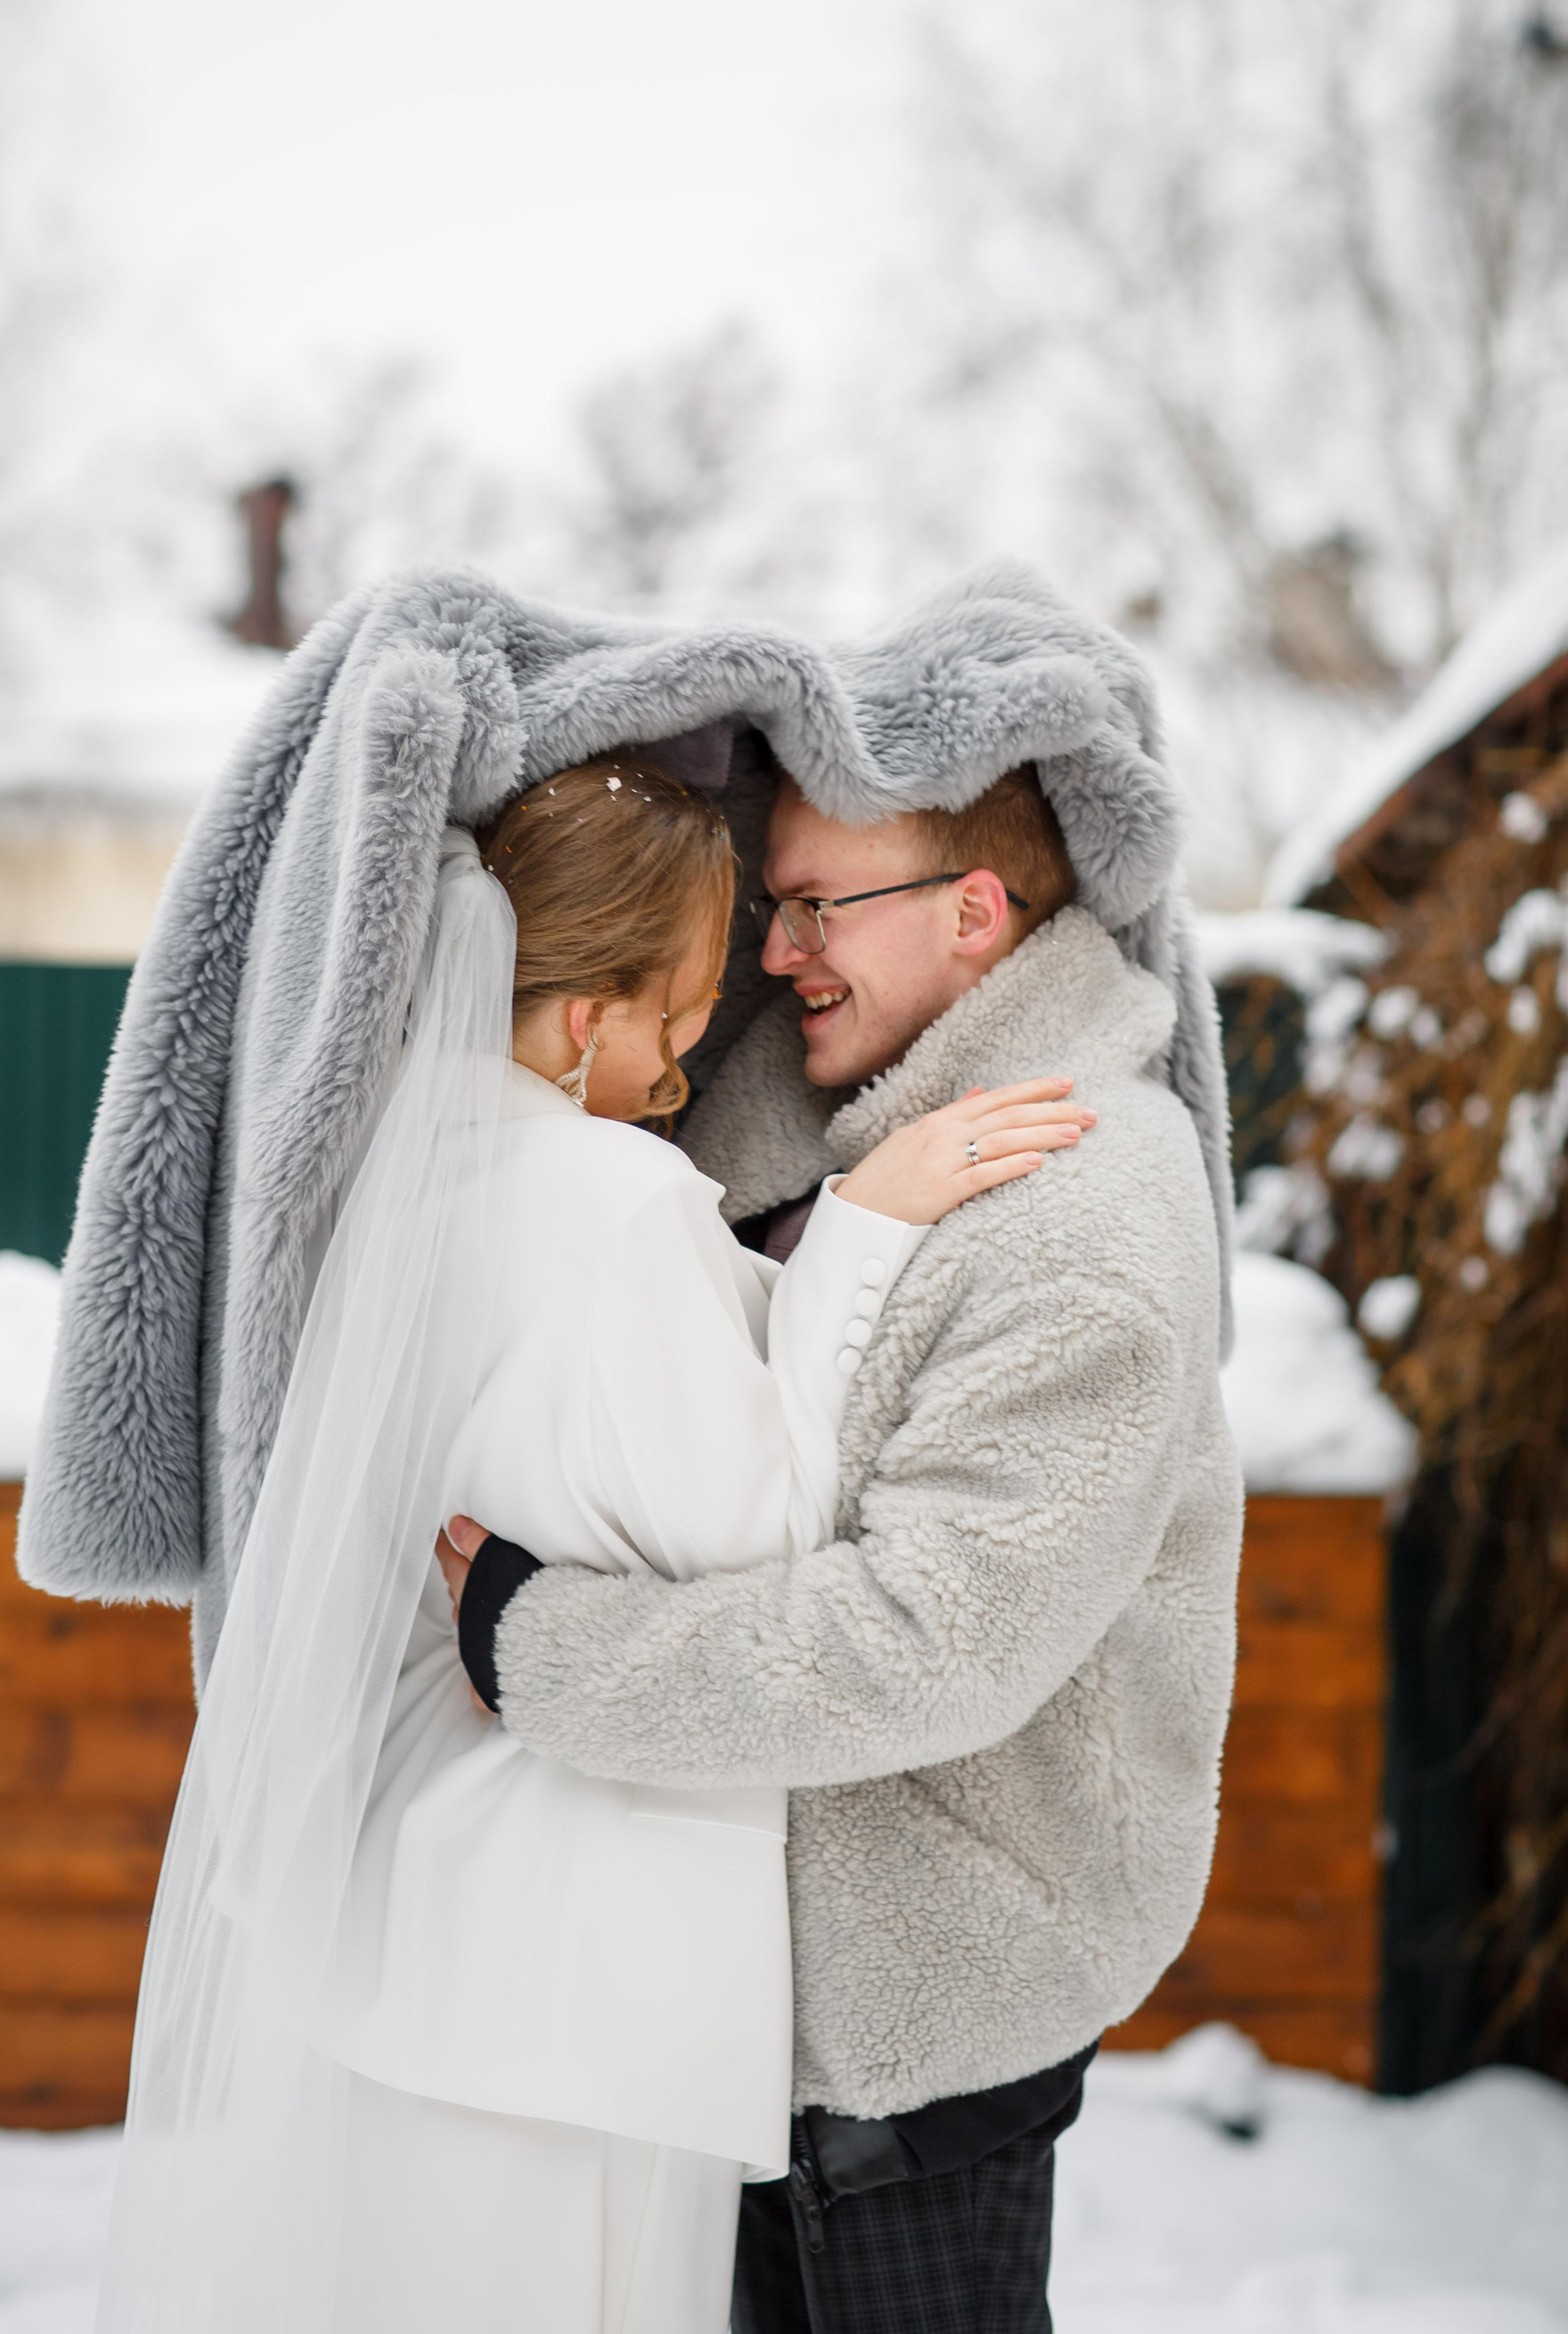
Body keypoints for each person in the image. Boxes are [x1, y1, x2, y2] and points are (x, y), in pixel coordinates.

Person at [95, 752, 1093, 2334]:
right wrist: (870, 1223)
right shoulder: (612, 1196)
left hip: (402, 1920)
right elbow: (756, 1525)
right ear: (580, 1019)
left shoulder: (389, 1182)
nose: (682, 1072)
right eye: (675, 1022)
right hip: (561, 1958)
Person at [441, 757, 1243, 2334]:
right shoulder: (776, 1119)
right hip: (725, 1988)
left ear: (971, 912)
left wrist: (537, 1648)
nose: (776, 948)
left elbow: (928, 1646)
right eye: (773, 903)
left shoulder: (1083, 1216)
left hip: (912, 2019)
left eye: (816, 907)